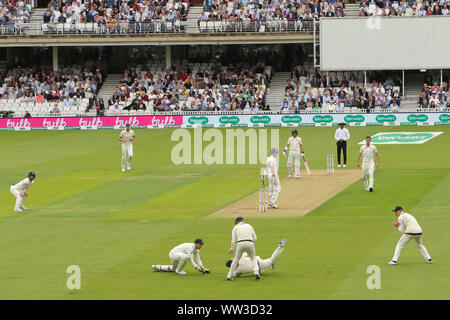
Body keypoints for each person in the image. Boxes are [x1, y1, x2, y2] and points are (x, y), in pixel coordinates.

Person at [227, 217, 260, 281]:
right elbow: (255, 238)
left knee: (235, 260)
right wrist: (251, 243)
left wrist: (232, 248)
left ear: (237, 222)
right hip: (250, 242)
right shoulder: (249, 226)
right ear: (243, 221)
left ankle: (229, 276)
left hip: (240, 243)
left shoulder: (235, 228)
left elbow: (233, 240)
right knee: (253, 258)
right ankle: (256, 272)